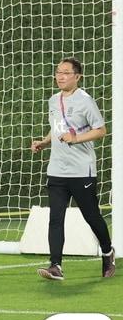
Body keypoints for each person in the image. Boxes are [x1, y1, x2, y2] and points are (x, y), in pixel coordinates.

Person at [29, 58, 114, 280]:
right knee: (55, 218)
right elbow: (56, 128)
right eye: (58, 72)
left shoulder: (86, 101)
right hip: (56, 169)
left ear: (77, 76)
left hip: (81, 170)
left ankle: (107, 251)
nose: (60, 76)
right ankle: (55, 266)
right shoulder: (53, 100)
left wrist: (76, 139)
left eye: (66, 73)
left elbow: (101, 130)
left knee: (91, 215)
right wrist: (44, 142)